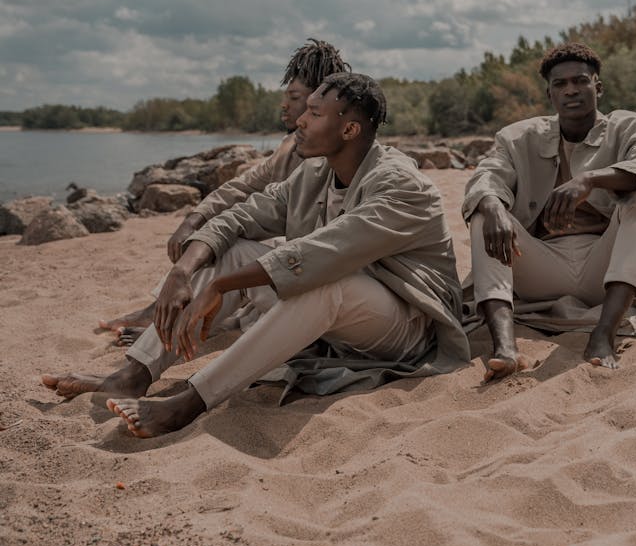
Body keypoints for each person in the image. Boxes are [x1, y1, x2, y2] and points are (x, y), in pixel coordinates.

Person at [43, 73, 470, 436]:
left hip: (407, 328)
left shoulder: (400, 185)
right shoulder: (315, 172)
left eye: (315, 114)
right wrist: (184, 271)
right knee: (230, 251)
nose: (300, 120)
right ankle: (133, 376)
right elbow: (241, 216)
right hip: (337, 321)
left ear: (350, 130)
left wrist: (222, 287)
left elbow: (324, 252)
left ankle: (191, 400)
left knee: (324, 282)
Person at [463, 42, 636, 381]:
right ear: (550, 94)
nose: (571, 91)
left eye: (580, 81)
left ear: (598, 86)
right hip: (539, 267)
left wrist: (590, 180)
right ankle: (505, 348)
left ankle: (604, 334)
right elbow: (487, 174)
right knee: (485, 211)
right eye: (560, 85)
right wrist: (491, 204)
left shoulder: (630, 127)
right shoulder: (517, 137)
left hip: (607, 268)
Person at [99, 38, 349, 342]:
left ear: (322, 101)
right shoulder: (290, 147)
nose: (284, 105)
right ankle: (164, 313)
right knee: (221, 235)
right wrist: (194, 218)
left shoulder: (333, 156)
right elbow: (242, 187)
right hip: (297, 274)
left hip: (318, 285)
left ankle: (170, 321)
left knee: (230, 245)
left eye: (295, 97)